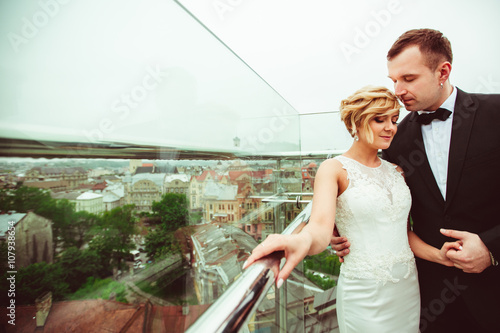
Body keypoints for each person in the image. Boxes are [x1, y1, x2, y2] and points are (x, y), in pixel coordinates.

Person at [243, 86, 461, 332]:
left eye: (393, 119)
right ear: (355, 123)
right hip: (365, 292)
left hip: (407, 289)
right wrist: (300, 241)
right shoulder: (333, 169)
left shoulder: (397, 171)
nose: (391, 127)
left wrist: (438, 255)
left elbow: (403, 232)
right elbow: (319, 228)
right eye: (379, 119)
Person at [332, 29, 500, 332]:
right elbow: (382, 205)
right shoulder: (394, 140)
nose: (397, 90)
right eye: (393, 80)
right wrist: (339, 231)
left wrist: (491, 249)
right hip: (427, 296)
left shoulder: (496, 113)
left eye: (408, 79)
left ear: (443, 71)